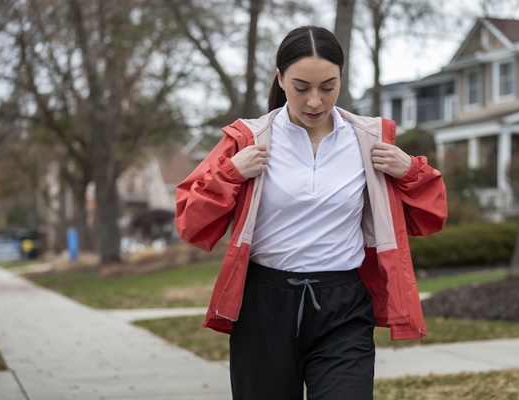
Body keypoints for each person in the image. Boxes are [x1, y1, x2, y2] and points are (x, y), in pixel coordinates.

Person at [175, 25, 447, 400]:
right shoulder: (249, 139)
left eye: (328, 87)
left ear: (341, 79)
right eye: (302, 87)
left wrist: (409, 172)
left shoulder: (368, 141)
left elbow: (431, 217)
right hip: (263, 306)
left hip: (343, 307)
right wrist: (231, 173)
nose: (315, 101)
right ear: (280, 78)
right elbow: (191, 222)